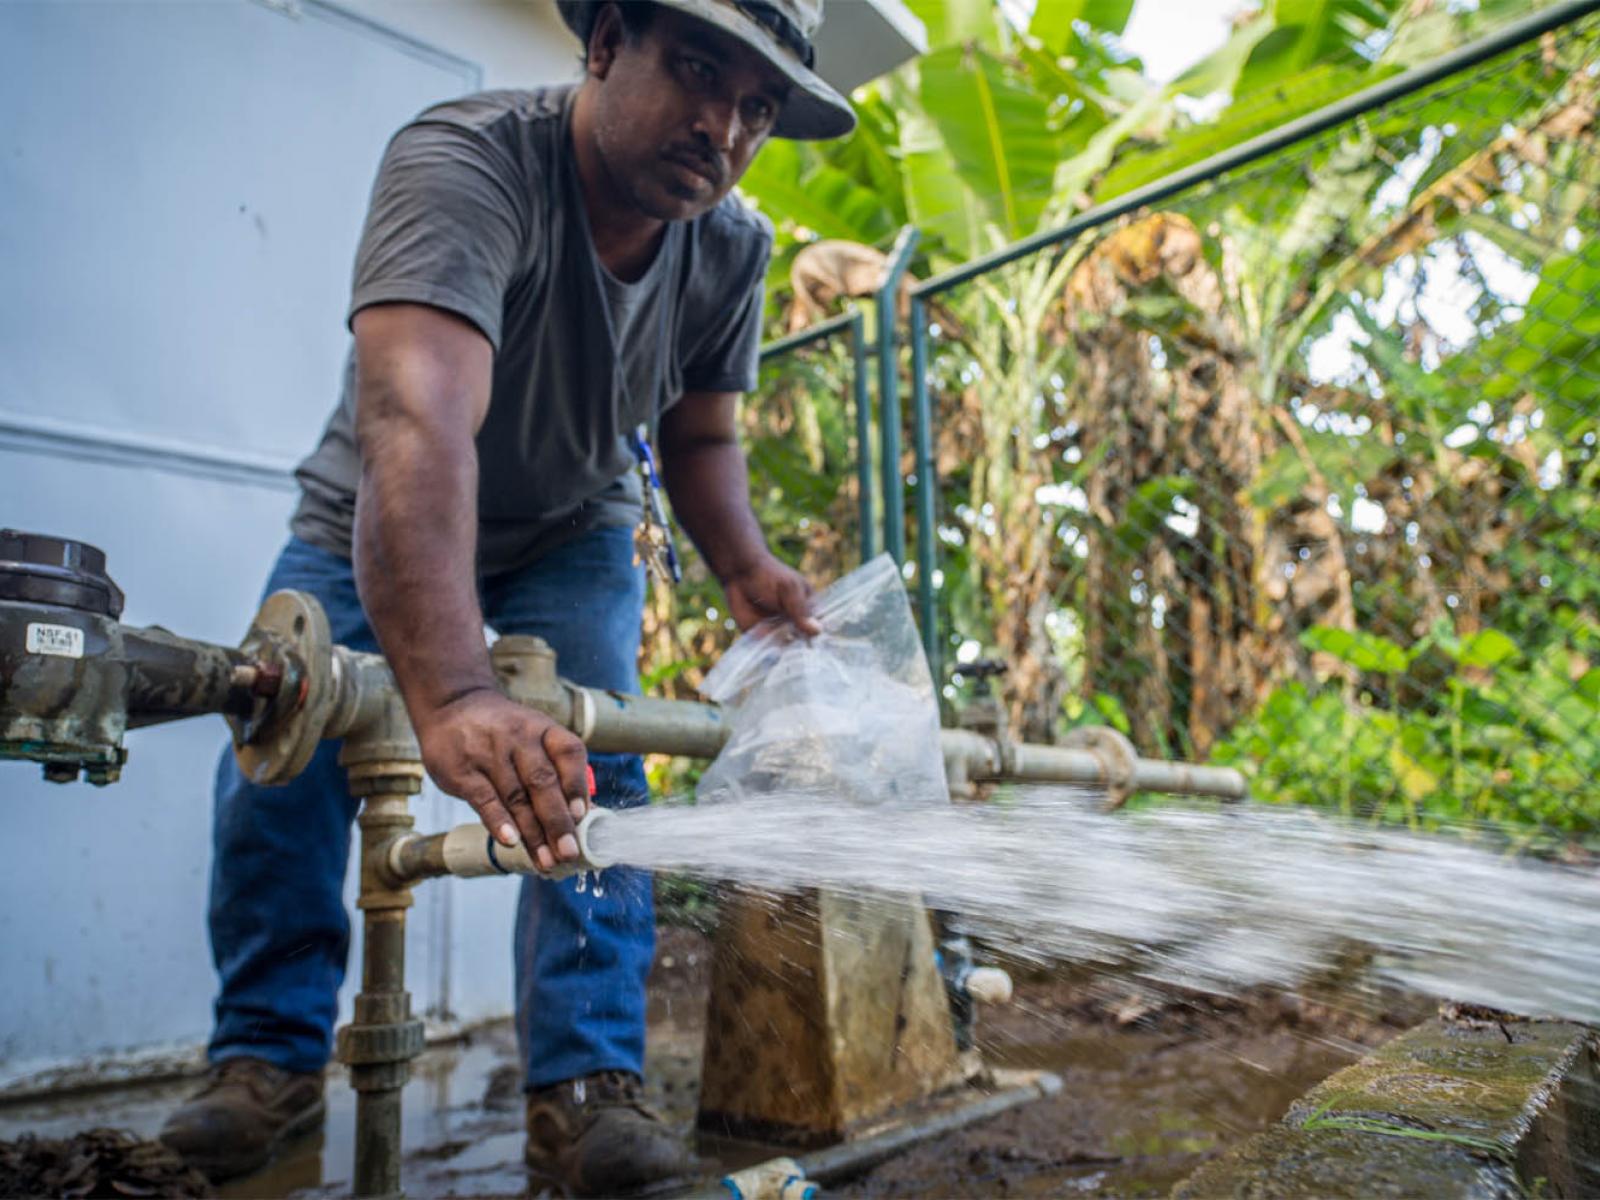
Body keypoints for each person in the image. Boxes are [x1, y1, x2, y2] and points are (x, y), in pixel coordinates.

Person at [158, 1, 854, 1194]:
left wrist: (745, 567)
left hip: (572, 523)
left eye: (755, 105)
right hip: (375, 500)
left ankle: (584, 1095)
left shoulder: (730, 246)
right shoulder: (467, 161)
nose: (722, 124)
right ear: (603, 44)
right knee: (279, 740)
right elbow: (414, 425)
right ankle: (261, 1066)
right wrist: (455, 690)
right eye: (696, 70)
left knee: (600, 768)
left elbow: (697, 434)